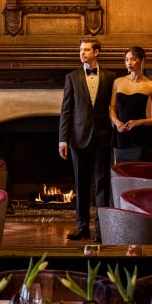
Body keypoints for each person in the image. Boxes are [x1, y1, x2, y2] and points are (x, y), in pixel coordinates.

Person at [58, 37, 114, 242]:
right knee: (81, 185)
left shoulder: (111, 77)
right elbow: (66, 110)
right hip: (77, 139)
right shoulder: (72, 77)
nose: (82, 53)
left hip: (103, 137)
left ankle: (102, 229)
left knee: (102, 185)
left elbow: (114, 108)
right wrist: (62, 140)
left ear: (97, 52)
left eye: (86, 50)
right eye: (80, 49)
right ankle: (82, 227)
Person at [109, 46, 152, 163]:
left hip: (141, 137)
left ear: (142, 60)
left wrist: (139, 122)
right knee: (121, 175)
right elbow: (112, 110)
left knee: (141, 175)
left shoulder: (151, 85)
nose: (129, 62)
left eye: (132, 59)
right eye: (127, 59)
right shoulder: (118, 82)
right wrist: (117, 123)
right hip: (121, 137)